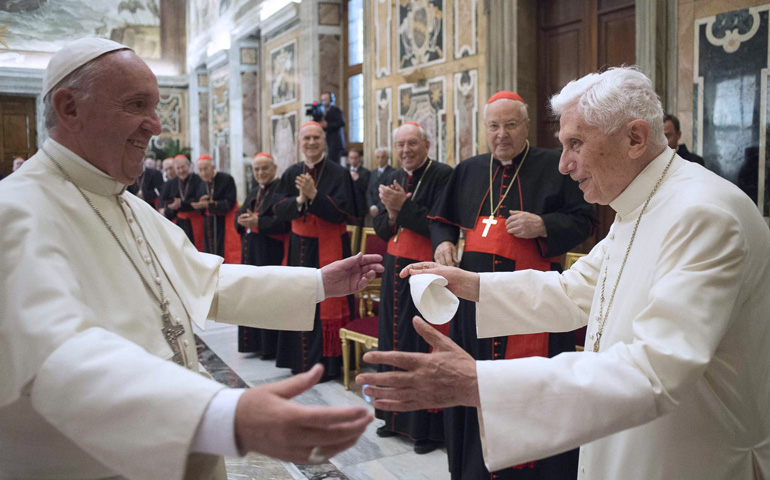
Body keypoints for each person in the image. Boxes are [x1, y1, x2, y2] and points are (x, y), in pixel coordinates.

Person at [358, 66, 770, 480]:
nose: (564, 165)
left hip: (688, 456)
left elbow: (654, 369)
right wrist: (472, 284)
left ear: (635, 138)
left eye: (576, 144)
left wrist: (482, 382)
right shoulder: (639, 203)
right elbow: (575, 291)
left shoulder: (702, 213)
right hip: (633, 437)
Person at [0, 37, 382, 480]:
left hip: (176, 445)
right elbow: (56, 355)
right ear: (69, 108)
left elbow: (204, 280)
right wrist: (223, 415)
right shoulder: (16, 210)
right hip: (102, 461)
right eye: (136, 104)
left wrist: (317, 284)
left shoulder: (124, 200)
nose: (155, 125)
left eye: (156, 106)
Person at [429, 91, 595, 479]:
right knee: (476, 383)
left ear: (526, 126)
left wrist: (544, 225)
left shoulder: (554, 166)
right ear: (485, 129)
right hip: (474, 307)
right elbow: (441, 218)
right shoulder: (469, 170)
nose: (501, 134)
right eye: (494, 126)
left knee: (532, 386)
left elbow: (585, 219)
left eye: (510, 125)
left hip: (534, 304)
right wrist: (443, 241)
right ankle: (475, 468)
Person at [373, 122, 453, 454]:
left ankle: (425, 429)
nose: (406, 150)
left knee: (420, 345)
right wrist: (391, 214)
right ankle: (392, 417)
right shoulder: (390, 175)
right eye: (400, 144)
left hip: (423, 272)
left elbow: (437, 223)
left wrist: (400, 208)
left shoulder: (443, 175)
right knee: (393, 341)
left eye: (412, 143)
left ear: (427, 145)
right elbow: (379, 228)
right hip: (394, 270)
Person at [274, 121, 361, 381]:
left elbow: (347, 212)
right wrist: (300, 200)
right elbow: (277, 209)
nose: (311, 143)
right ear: (299, 143)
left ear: (324, 141)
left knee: (328, 300)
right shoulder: (291, 173)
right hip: (300, 248)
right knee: (299, 300)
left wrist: (315, 196)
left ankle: (331, 365)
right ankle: (300, 362)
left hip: (331, 247)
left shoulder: (338, 173)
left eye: (316, 138)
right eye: (306, 139)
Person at [234, 153, 290, 359]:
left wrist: (258, 223)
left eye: (264, 168)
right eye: (256, 169)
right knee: (253, 296)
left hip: (271, 253)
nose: (260, 173)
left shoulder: (281, 190)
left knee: (268, 298)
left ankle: (270, 347)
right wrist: (241, 220)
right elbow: (238, 213)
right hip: (251, 253)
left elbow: (284, 222)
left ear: (274, 169)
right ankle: (255, 343)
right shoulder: (254, 191)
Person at [193, 154, 240, 263]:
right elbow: (199, 207)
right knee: (209, 254)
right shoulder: (200, 183)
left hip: (223, 224)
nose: (203, 173)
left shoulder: (226, 179)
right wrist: (200, 204)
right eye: (200, 170)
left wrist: (210, 205)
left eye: (206, 169)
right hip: (208, 225)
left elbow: (230, 202)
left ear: (213, 167)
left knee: (223, 253)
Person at [165, 153, 205, 250]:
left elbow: (199, 201)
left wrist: (182, 204)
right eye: (178, 168)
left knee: (196, 249)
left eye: (183, 167)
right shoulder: (172, 182)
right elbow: (166, 200)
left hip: (195, 221)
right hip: (179, 222)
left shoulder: (198, 180)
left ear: (189, 166)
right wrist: (171, 207)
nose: (181, 171)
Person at [367, 147, 394, 218]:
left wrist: (378, 208)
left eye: (383, 157)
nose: (380, 160)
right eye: (378, 157)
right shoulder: (373, 173)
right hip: (373, 210)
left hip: (386, 210)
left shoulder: (393, 172)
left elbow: (389, 193)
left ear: (387, 158)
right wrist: (372, 206)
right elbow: (369, 191)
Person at [320, 91, 346, 164]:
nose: (324, 102)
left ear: (331, 100)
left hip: (336, 142)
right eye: (323, 100)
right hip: (330, 142)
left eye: (326, 100)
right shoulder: (326, 112)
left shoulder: (335, 109)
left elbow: (342, 122)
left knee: (334, 163)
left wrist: (328, 125)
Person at [347, 148, 369, 227]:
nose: (353, 160)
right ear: (348, 159)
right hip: (347, 206)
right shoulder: (344, 171)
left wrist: (357, 179)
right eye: (351, 158)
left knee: (359, 230)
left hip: (360, 207)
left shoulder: (365, 172)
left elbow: (366, 188)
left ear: (359, 158)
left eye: (355, 158)